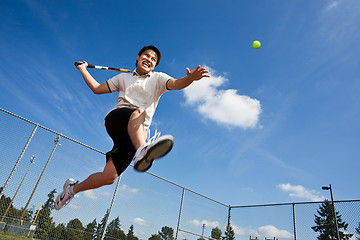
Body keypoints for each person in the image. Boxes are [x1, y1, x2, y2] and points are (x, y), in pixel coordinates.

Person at [54, 45, 209, 210]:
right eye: (146, 55)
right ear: (138, 57)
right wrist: (82, 69)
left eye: (153, 59)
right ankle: (142, 150)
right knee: (138, 112)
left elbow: (177, 83)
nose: (149, 59)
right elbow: (97, 88)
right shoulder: (123, 78)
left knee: (109, 177)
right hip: (117, 119)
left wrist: (190, 78)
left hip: (135, 134)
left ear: (155, 66)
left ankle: (71, 189)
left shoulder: (158, 78)